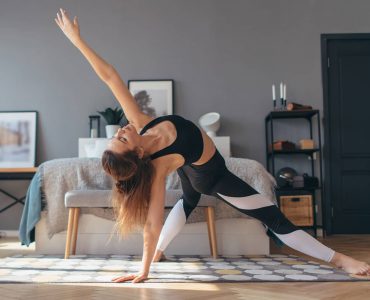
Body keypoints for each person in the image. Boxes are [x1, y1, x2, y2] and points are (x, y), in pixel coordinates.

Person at [55, 8, 370, 283]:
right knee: (273, 216)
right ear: (137, 152)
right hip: (210, 174)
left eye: (118, 133)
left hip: (192, 170)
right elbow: (152, 224)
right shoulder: (159, 166)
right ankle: (342, 260)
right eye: (121, 137)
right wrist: (144, 270)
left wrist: (76, 41)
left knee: (189, 200)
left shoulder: (140, 122)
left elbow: (110, 77)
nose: (123, 128)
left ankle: (163, 253)